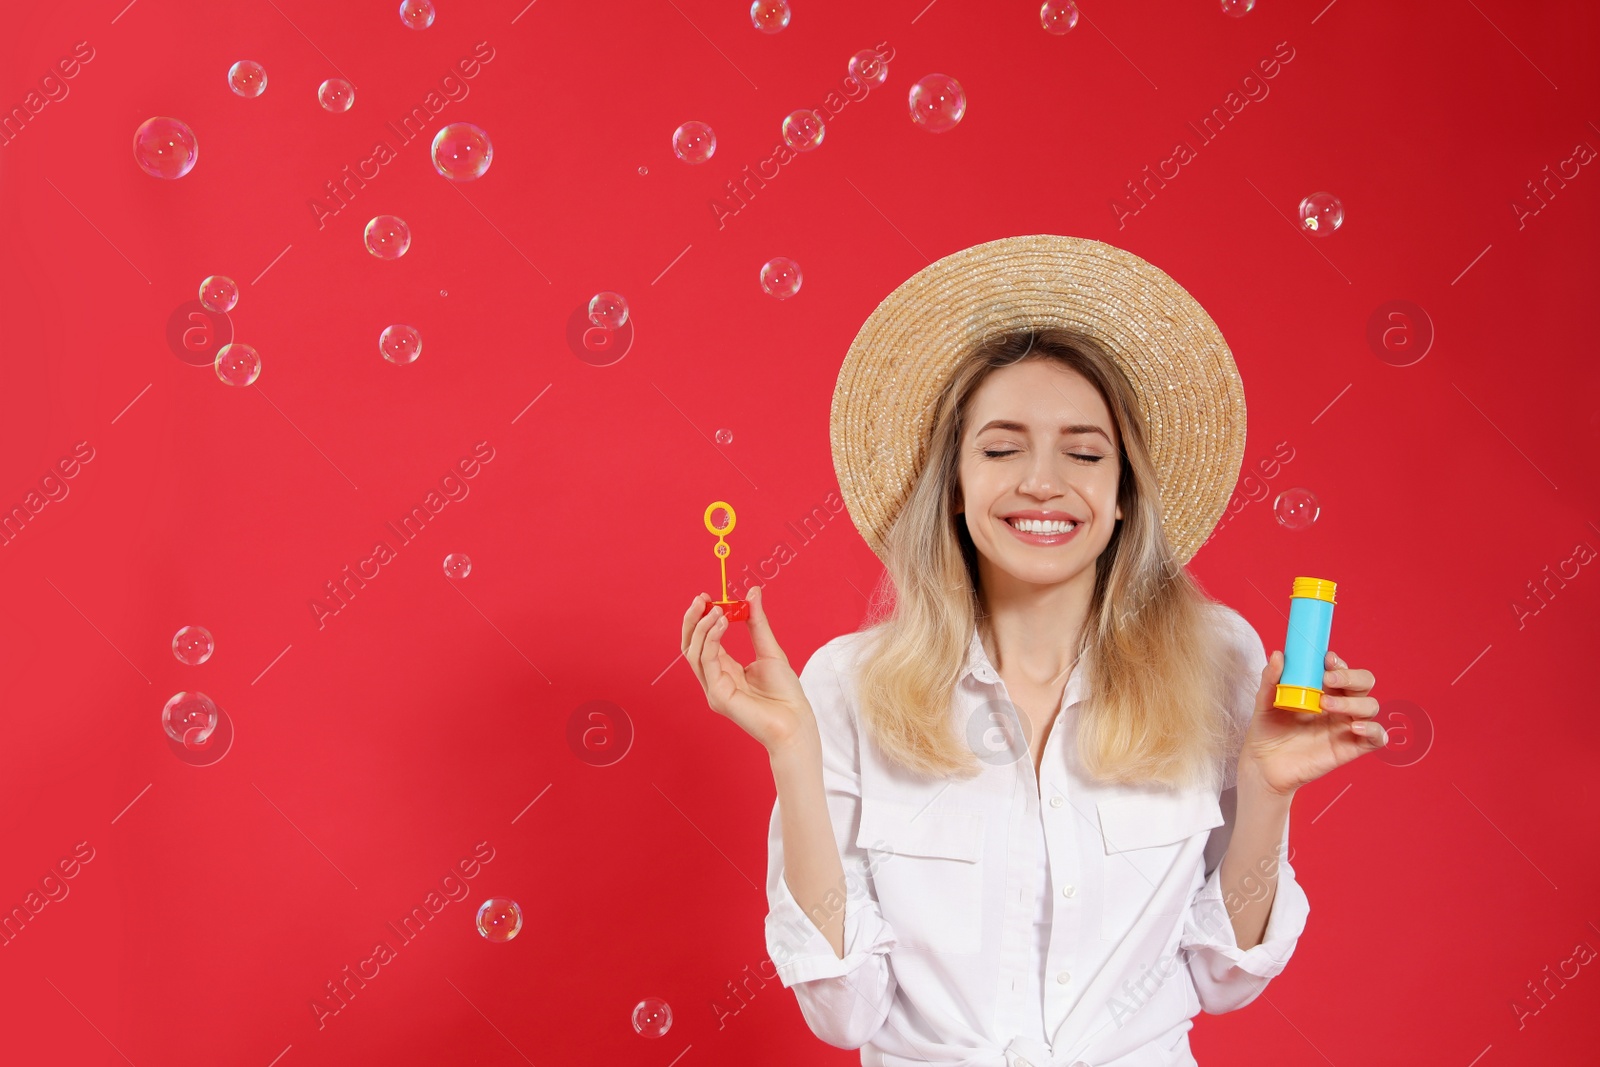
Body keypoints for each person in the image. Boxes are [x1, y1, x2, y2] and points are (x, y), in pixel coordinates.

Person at [679, 235, 1383, 1067]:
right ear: (954, 485)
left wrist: (1266, 790)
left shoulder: (1220, 661)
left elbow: (1224, 977)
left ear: (1123, 494)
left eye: (1084, 453)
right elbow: (845, 1013)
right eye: (1002, 448)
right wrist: (794, 753)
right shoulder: (846, 684)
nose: (1043, 482)